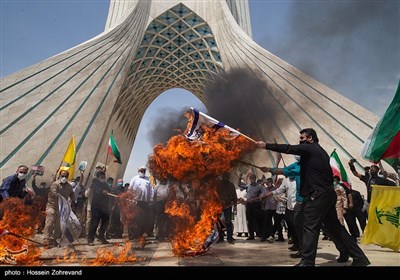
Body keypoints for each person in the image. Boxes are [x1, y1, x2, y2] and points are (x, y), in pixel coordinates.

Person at [256, 128, 370, 266]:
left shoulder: (311, 149)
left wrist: (266, 145)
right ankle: (360, 258)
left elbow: (289, 148)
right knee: (336, 228)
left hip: (318, 196)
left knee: (310, 227)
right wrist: (271, 170)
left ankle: (307, 262)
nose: (300, 141)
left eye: (302, 138)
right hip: (327, 195)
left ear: (310, 138)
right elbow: (290, 169)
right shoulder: (319, 152)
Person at [43, 170, 75, 247]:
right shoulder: (55, 184)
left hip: (62, 208)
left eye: (65, 176)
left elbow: (72, 194)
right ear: (60, 176)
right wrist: (58, 195)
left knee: (59, 225)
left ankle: (54, 239)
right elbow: (53, 192)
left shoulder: (69, 186)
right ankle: (46, 239)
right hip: (52, 206)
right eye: (62, 176)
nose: (64, 178)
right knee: (50, 222)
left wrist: (73, 201)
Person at [127, 165, 153, 239]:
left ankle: (139, 235)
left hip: (144, 202)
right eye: (141, 170)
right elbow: (130, 189)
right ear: (138, 171)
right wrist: (130, 198)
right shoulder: (134, 179)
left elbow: (151, 190)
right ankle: (132, 235)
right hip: (135, 202)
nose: (143, 172)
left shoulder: (148, 179)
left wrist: (151, 200)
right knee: (133, 218)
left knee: (142, 219)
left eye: (144, 171)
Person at [87, 170, 110, 246]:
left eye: (104, 177)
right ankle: (90, 239)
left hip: (104, 207)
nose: (103, 178)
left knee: (106, 220)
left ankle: (101, 236)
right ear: (98, 177)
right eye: (102, 177)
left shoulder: (106, 184)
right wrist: (102, 191)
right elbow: (97, 190)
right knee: (94, 222)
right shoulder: (95, 184)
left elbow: (109, 191)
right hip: (96, 206)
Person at [215, 172, 237, 244]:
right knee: (218, 222)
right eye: (225, 176)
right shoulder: (218, 185)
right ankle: (220, 237)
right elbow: (215, 194)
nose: (226, 178)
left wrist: (235, 206)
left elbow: (234, 196)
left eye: (227, 176)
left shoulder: (231, 185)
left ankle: (229, 238)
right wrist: (219, 201)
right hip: (219, 205)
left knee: (228, 221)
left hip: (228, 206)